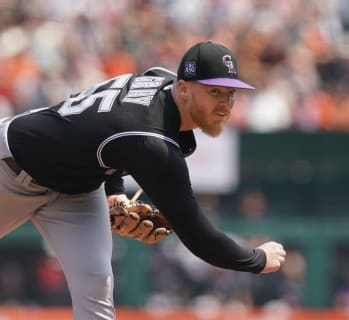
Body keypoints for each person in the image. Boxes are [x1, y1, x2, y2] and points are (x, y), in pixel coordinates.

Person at [0, 41, 286, 319]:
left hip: (77, 189)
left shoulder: (162, 80)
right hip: (12, 168)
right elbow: (196, 234)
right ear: (184, 89)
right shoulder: (152, 143)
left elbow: (108, 128)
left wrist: (115, 192)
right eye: (214, 92)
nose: (225, 104)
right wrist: (256, 259)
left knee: (96, 286)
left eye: (230, 94)